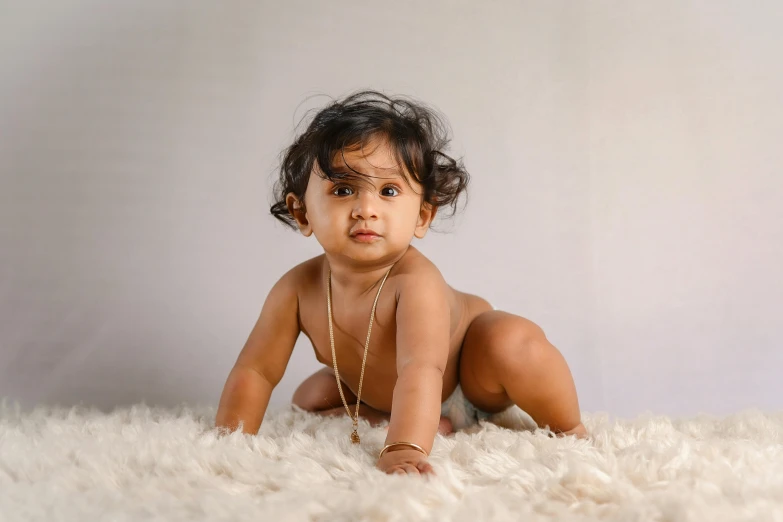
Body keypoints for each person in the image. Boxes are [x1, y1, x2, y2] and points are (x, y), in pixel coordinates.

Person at [215, 90, 587, 476]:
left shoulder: (414, 281)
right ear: (302, 212)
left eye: (388, 191)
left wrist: (404, 449)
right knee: (308, 397)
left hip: (471, 377)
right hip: (397, 394)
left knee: (512, 342)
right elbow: (256, 370)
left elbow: (422, 369)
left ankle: (570, 427)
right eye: (343, 190)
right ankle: (429, 423)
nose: (366, 209)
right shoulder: (295, 288)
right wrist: (228, 440)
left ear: (423, 216)